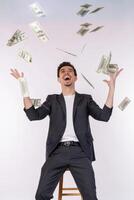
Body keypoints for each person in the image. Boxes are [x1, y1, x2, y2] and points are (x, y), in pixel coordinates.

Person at [10, 62, 122, 200]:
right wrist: (23, 88)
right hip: (57, 152)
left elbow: (104, 116)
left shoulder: (85, 99)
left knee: (91, 197)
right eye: (62, 71)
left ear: (75, 77)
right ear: (59, 79)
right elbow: (33, 116)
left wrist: (112, 88)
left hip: (80, 152)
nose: (66, 73)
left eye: (70, 71)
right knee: (40, 195)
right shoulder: (52, 100)